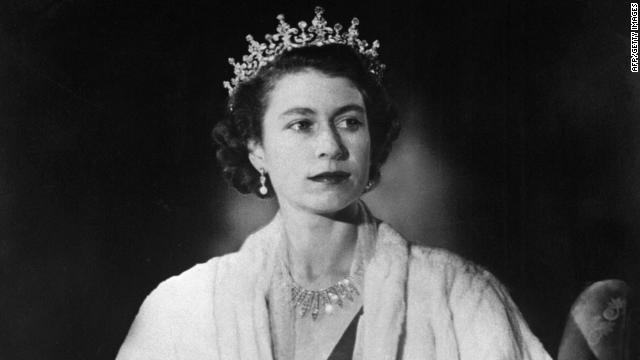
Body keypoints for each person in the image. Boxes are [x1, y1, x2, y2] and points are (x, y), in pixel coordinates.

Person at [117, 7, 552, 360]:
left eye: (349, 121)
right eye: (301, 124)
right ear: (256, 148)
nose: (330, 146)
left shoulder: (457, 295)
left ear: (372, 139)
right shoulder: (185, 305)